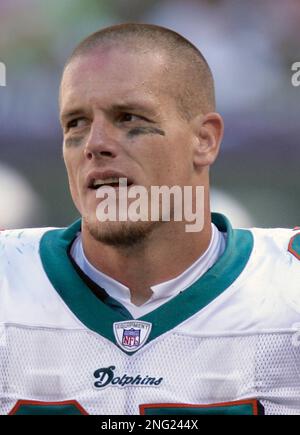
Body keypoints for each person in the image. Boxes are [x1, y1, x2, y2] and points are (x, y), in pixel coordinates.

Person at [1, 23, 300, 416]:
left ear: (204, 140)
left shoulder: (288, 286)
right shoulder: (9, 280)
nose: (95, 145)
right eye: (76, 123)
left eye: (128, 118)